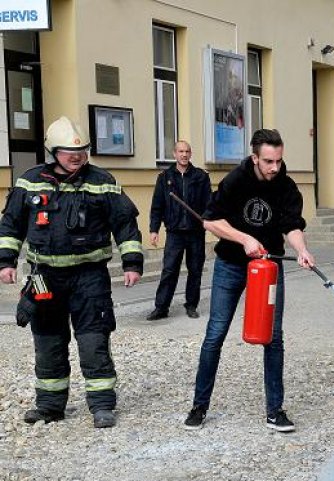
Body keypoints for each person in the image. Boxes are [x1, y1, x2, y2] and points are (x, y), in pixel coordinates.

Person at [0, 116, 143, 428]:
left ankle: (102, 406)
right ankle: (50, 407)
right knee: (48, 341)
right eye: (68, 153)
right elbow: (10, 224)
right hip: (44, 277)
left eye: (81, 152)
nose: (76, 157)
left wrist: (132, 263)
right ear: (53, 152)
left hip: (89, 277)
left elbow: (125, 225)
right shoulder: (29, 181)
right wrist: (6, 261)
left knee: (94, 341)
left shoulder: (102, 181)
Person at [183, 128, 314, 432]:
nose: (275, 168)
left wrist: (302, 250)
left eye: (279, 161)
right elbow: (211, 221)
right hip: (230, 265)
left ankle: (275, 411)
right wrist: (244, 239)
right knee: (215, 333)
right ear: (255, 157)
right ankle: (199, 407)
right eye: (268, 161)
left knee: (274, 336)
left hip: (268, 268)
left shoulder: (286, 186)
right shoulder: (235, 181)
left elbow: (292, 225)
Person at [146, 140, 211, 320]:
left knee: (195, 270)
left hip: (195, 232)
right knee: (169, 270)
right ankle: (161, 307)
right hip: (174, 232)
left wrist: (207, 219)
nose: (184, 155)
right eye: (180, 151)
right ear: (174, 154)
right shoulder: (165, 177)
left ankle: (191, 305)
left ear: (191, 154)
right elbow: (157, 206)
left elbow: (209, 203)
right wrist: (154, 230)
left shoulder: (201, 177)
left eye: (187, 151)